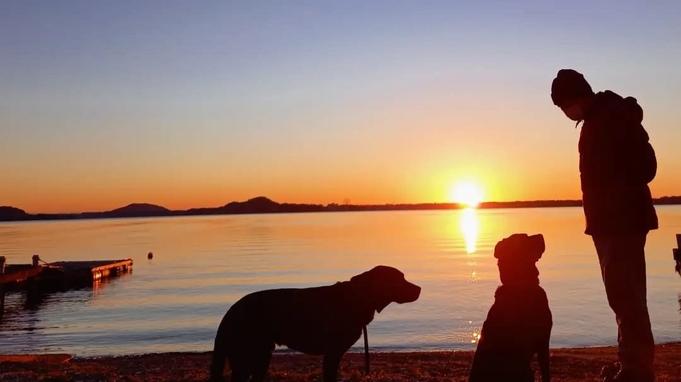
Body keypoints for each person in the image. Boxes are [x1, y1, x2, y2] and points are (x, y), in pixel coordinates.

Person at [550, 69, 658, 382]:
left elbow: (644, 168)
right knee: (624, 298)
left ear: (573, 98)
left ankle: (636, 372)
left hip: (620, 224)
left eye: (562, 107)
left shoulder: (611, 119)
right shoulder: (601, 119)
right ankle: (632, 367)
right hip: (611, 224)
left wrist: (615, 195)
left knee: (627, 299)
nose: (564, 114)